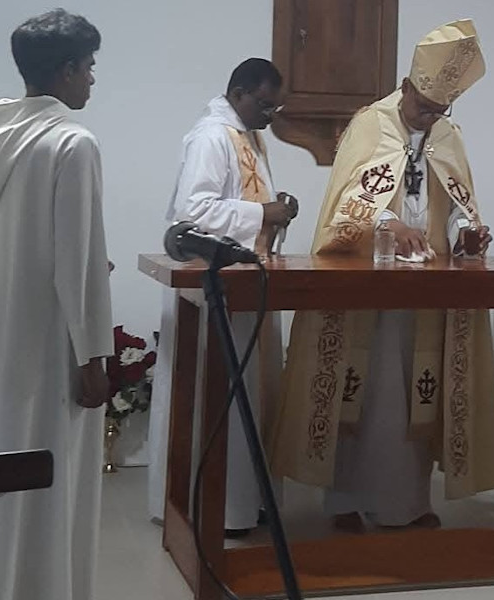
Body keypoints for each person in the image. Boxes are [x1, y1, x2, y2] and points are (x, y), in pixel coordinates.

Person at [269, 19, 494, 533]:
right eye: (422, 106)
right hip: (366, 287)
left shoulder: (445, 133)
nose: (428, 118)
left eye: (438, 110)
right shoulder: (369, 124)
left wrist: (469, 230)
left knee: (414, 391)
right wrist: (388, 221)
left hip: (424, 292)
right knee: (359, 387)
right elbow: (345, 201)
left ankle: (406, 503)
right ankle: (347, 503)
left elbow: (458, 200)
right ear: (405, 88)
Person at [0, 9, 113, 600]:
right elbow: (76, 265)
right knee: (53, 476)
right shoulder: (72, 143)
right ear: (67, 70)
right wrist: (94, 358)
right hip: (54, 343)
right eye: (90, 68)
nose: (92, 80)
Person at [148, 58, 299, 536]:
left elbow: (246, 203)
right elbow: (193, 213)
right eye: (263, 104)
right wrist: (264, 213)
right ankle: (211, 507)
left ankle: (243, 502)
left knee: (249, 398)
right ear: (237, 92)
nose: (269, 115)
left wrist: (277, 210)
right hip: (214, 290)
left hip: (245, 286)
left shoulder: (247, 136)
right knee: (219, 400)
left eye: (275, 107)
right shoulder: (212, 136)